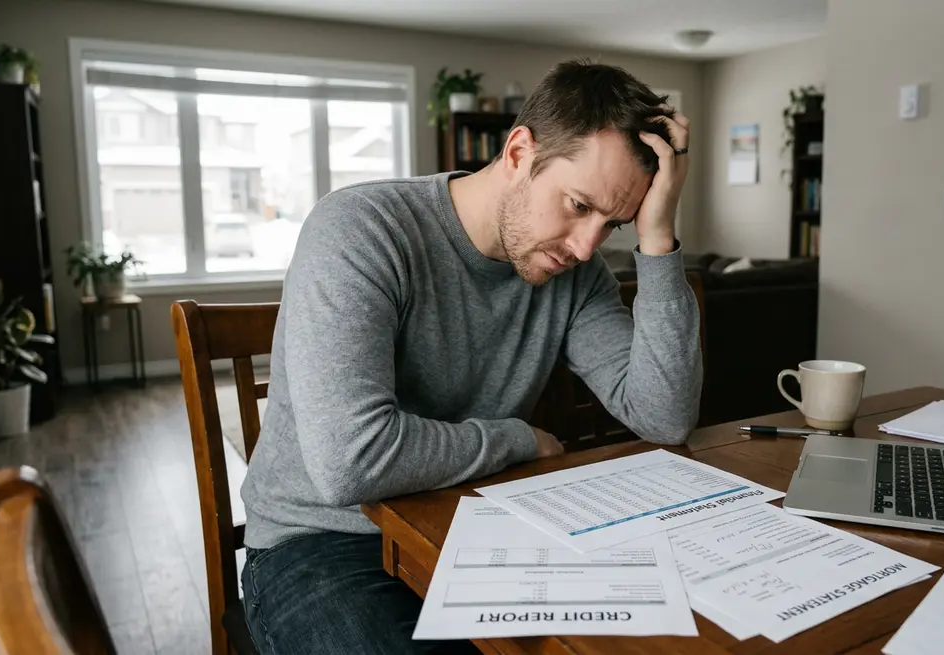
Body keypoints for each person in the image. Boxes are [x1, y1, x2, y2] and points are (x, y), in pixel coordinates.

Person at [238, 58, 703, 654]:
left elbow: (664, 417)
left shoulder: (574, 275)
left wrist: (658, 234)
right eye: (579, 206)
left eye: (614, 224)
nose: (587, 247)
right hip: (323, 543)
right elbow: (350, 463)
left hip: (477, 522)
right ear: (517, 153)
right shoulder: (362, 228)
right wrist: (518, 439)